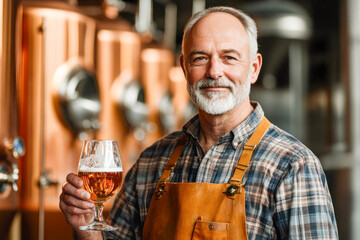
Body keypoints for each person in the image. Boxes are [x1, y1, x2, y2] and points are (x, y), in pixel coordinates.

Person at [59, 6, 338, 240]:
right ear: (184, 68)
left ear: (253, 68)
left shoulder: (293, 166)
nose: (214, 71)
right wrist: (87, 228)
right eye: (200, 58)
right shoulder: (151, 162)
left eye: (229, 57)